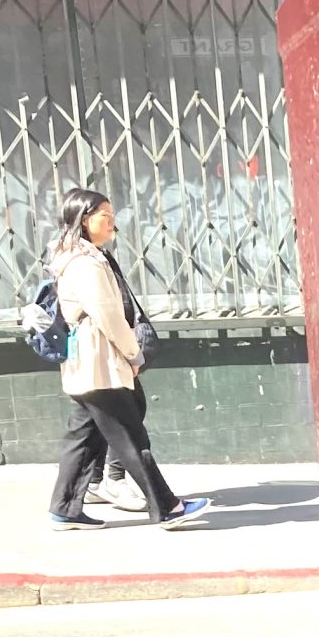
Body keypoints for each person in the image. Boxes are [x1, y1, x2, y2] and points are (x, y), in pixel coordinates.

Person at [43, 187, 207, 531]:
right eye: (106, 216)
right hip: (99, 361)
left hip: (85, 365)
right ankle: (168, 507)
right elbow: (108, 315)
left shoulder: (74, 256)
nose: (112, 223)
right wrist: (133, 353)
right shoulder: (86, 262)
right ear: (85, 220)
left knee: (83, 436)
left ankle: (65, 508)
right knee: (129, 435)